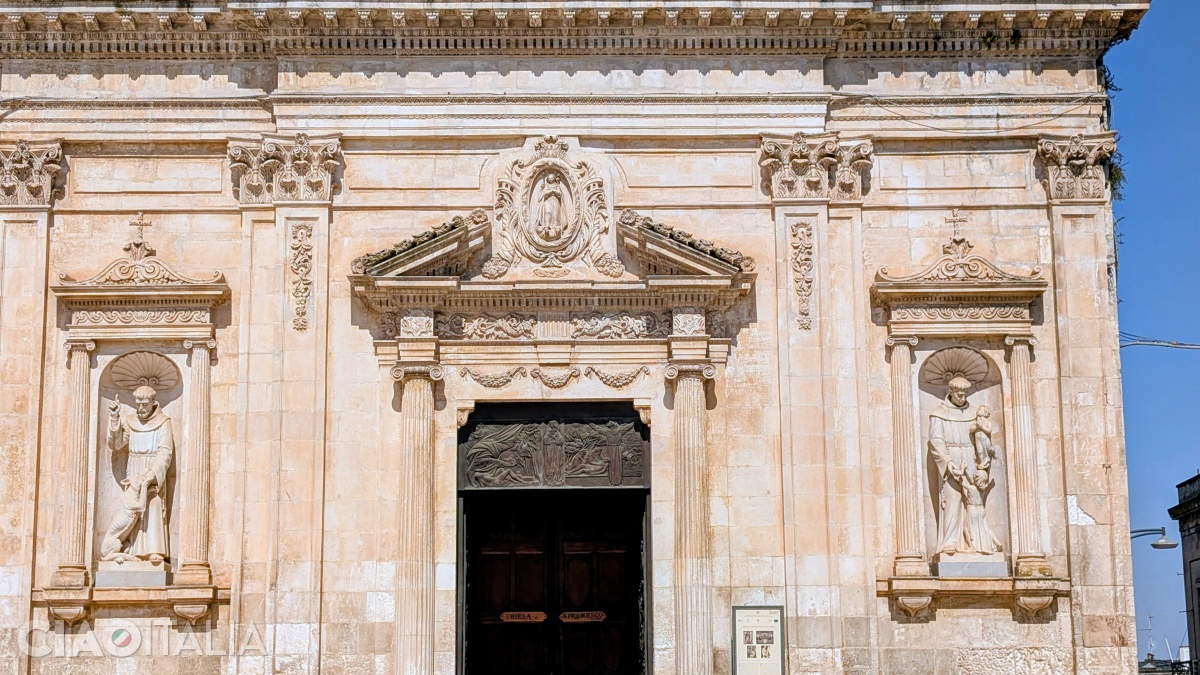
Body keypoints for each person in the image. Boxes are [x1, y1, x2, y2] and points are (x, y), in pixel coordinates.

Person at [928, 376, 1002, 557]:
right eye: (958, 394)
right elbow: (936, 441)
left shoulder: (976, 414)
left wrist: (983, 470)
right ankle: (950, 541)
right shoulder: (939, 413)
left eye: (964, 394)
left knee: (975, 502)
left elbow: (983, 442)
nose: (961, 397)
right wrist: (949, 464)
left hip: (972, 460)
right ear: (951, 393)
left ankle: (978, 542)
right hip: (951, 460)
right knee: (952, 500)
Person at [103, 385, 173, 562]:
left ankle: (153, 550)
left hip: (152, 468)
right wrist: (114, 418)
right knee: (132, 511)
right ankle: (131, 550)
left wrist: (153, 473)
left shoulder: (164, 422)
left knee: (153, 505)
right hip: (134, 469)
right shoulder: (130, 420)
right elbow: (117, 444)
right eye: (138, 404)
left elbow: (165, 451)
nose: (141, 408)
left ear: (153, 403)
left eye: (144, 404)